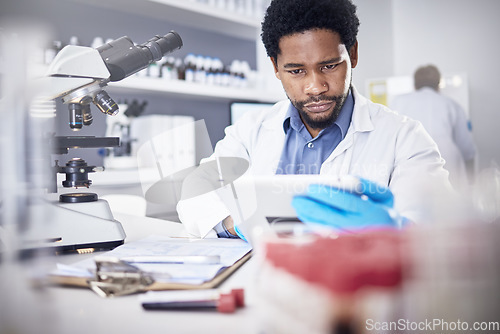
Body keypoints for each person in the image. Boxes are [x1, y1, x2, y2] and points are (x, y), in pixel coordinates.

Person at [177, 0, 453, 239]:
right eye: (296, 71)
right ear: (275, 67)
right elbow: (194, 196)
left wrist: (396, 232)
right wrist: (238, 226)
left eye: (329, 66)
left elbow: (440, 225)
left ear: (353, 54)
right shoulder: (249, 131)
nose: (315, 87)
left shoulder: (406, 137)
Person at [390, 65, 476, 191]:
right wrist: (472, 181)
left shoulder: (398, 102)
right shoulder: (452, 104)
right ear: (438, 85)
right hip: (449, 168)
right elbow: (466, 147)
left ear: (415, 85)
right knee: (449, 207)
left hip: (409, 168)